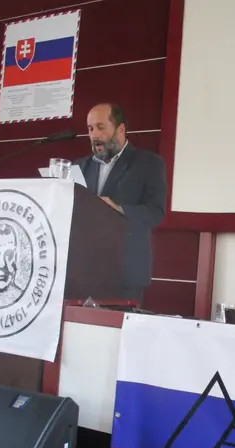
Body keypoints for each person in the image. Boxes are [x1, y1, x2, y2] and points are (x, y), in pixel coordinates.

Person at [75, 103, 166, 302]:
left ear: (121, 129)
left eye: (101, 127)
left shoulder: (149, 164)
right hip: (82, 273)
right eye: (90, 129)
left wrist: (119, 209)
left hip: (124, 274)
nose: (94, 135)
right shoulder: (78, 167)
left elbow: (155, 212)